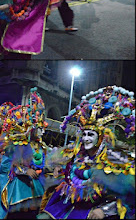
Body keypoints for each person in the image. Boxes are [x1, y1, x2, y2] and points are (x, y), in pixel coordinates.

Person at [37, 85, 135, 219]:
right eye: (84, 134)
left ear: (100, 138)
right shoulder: (77, 154)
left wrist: (104, 210)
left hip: (94, 211)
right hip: (69, 205)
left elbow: (127, 194)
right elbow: (65, 170)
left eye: (91, 135)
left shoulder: (113, 158)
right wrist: (60, 169)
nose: (86, 138)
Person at [0, 88, 50, 219]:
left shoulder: (38, 145)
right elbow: (5, 167)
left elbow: (40, 163)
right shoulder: (16, 144)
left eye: (40, 128)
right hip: (16, 187)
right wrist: (24, 171)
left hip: (34, 186)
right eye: (37, 128)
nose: (40, 131)